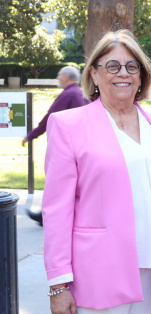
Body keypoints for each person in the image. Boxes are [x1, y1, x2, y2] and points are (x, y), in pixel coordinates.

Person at [42, 30, 151, 314]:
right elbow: (57, 209)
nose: (123, 73)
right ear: (94, 73)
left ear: (142, 75)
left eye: (132, 66)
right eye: (113, 65)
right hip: (97, 272)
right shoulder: (69, 125)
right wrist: (58, 284)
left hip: (150, 268)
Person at [23, 65, 89, 225]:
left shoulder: (68, 94)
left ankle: (46, 217)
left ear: (67, 77)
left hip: (70, 148)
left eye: (59, 75)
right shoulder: (82, 93)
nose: (58, 78)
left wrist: (31, 135)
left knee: (59, 184)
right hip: (85, 146)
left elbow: (49, 118)